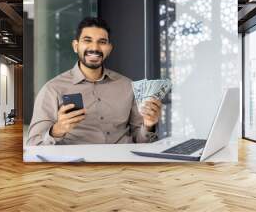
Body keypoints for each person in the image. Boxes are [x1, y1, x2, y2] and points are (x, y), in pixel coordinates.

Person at [27, 17, 162, 145]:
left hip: (122, 163)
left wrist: (149, 126)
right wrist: (57, 130)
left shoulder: (128, 86)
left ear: (109, 48)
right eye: (87, 40)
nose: (95, 48)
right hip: (80, 166)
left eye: (102, 42)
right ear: (76, 46)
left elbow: (140, 141)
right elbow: (34, 144)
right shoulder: (53, 89)